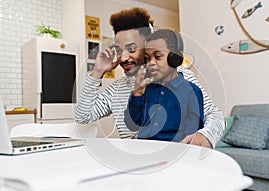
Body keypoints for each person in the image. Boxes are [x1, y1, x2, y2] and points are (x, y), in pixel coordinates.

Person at [74, 7, 225, 148]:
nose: (124, 57)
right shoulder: (116, 89)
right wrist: (97, 72)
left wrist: (204, 136)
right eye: (119, 50)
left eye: (132, 49)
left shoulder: (180, 76)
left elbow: (214, 115)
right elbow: (83, 116)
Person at [124, 29, 204, 142]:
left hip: (173, 153)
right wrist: (137, 95)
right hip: (143, 150)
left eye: (157, 56)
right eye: (147, 58)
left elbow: (191, 137)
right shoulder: (146, 89)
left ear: (174, 58)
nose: (150, 63)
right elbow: (131, 125)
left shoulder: (192, 92)